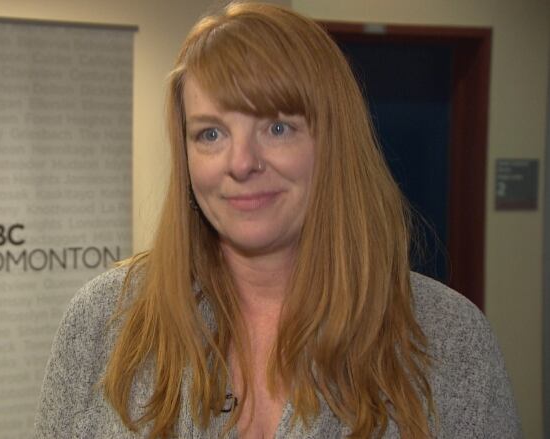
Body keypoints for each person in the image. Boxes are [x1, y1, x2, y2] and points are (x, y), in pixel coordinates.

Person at [34, 2, 521, 438]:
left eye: (278, 127)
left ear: (334, 144)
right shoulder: (105, 323)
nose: (241, 162)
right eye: (209, 134)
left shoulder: (450, 341)